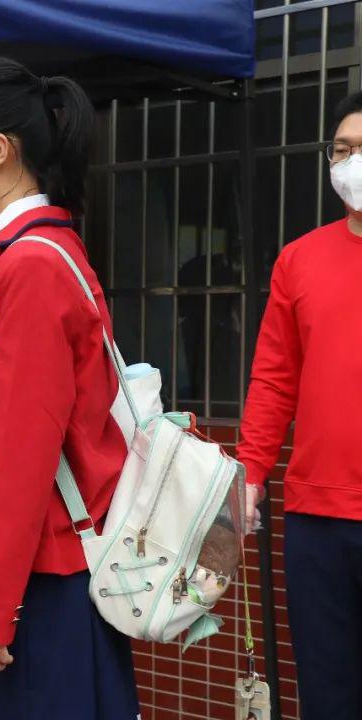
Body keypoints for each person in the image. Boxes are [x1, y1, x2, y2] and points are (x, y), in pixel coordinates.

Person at [0, 56, 140, 719]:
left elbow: (22, 449)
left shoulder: (32, 265)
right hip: (28, 572)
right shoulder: (25, 255)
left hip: (45, 580)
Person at [236, 90, 362, 720]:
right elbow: (274, 380)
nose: (350, 162)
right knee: (329, 690)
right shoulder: (300, 259)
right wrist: (252, 472)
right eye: (342, 150)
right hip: (316, 515)